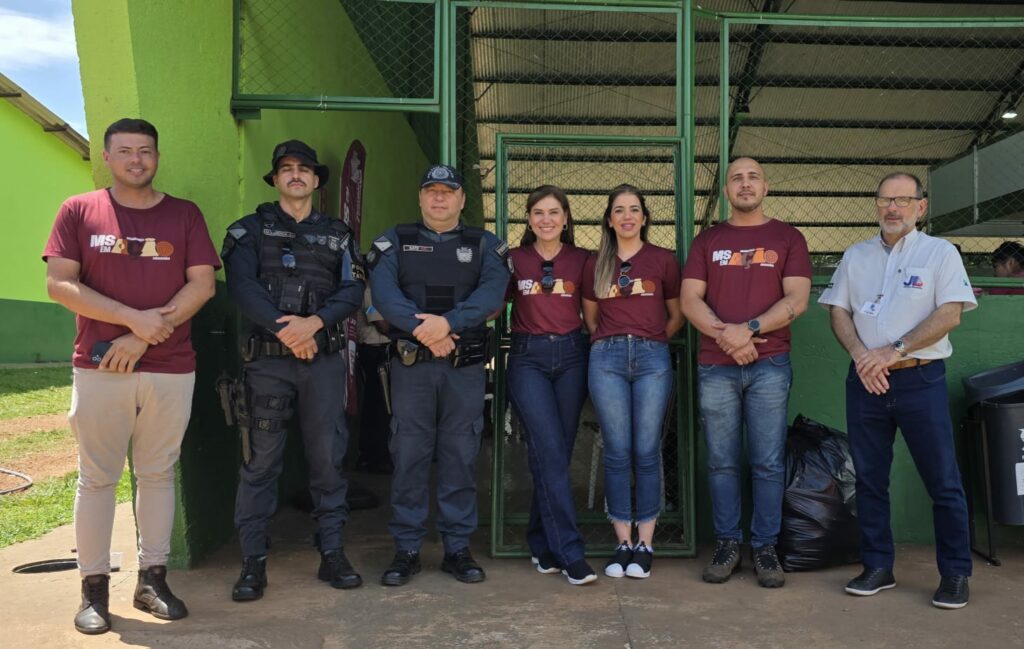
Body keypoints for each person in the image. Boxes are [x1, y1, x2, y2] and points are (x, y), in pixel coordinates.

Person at [43, 118, 219, 635]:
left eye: (145, 151)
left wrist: (144, 334)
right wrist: (129, 319)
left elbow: (203, 285)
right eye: (125, 151)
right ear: (108, 157)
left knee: (158, 473)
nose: (136, 160)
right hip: (99, 364)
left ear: (157, 157)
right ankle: (93, 590)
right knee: (97, 478)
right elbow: (59, 284)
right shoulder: (79, 210)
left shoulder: (184, 215)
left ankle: (153, 579)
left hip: (169, 365)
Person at [819, 171, 976, 610]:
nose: (893, 208)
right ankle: (877, 566)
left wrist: (893, 351)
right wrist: (861, 356)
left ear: (920, 207)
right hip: (866, 379)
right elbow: (838, 311)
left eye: (903, 200)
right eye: (885, 200)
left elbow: (950, 315)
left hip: (918, 378)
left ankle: (956, 574)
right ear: (876, 205)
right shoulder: (857, 255)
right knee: (870, 479)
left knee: (942, 481)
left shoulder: (939, 253)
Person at [222, 140, 365, 601]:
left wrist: (314, 324)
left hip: (320, 361)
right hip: (267, 363)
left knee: (328, 459)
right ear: (275, 178)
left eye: (304, 168)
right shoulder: (248, 231)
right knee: (261, 462)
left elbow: (352, 291)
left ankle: (332, 553)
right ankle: (253, 563)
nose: (296, 174)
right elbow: (243, 288)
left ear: (317, 180)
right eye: (286, 168)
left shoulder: (338, 235)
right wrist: (289, 331)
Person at [368, 164, 510, 586]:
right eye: (431, 190)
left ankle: (457, 548)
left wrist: (445, 324)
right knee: (409, 455)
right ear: (420, 197)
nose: (439, 198)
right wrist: (423, 331)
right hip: (412, 366)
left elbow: (490, 295)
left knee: (460, 456)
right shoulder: (394, 242)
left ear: (462, 199)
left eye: (448, 191)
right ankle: (407, 549)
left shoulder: (486, 246)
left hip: (462, 368)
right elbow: (386, 298)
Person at [681, 157, 811, 589]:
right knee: (721, 461)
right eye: (736, 177)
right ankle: (728, 543)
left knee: (767, 461)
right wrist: (728, 338)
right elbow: (690, 300)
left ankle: (765, 546)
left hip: (770, 364)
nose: (745, 183)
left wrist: (749, 330)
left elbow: (797, 298)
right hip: (717, 365)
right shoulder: (707, 240)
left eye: (753, 176)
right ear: (726, 191)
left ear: (766, 187)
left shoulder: (788, 237)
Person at [582, 184, 684, 580]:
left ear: (644, 217)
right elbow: (590, 318)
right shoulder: (596, 263)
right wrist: (611, 340)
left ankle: (646, 543)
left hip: (651, 357)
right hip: (605, 357)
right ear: (609, 219)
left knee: (646, 449)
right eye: (619, 210)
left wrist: (653, 340)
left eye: (634, 209)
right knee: (617, 450)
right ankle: (622, 541)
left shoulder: (663, 260)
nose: (627, 216)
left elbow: (675, 314)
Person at [507, 185, 596, 585]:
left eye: (554, 212)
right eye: (538, 213)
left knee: (554, 453)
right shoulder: (514, 260)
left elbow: (593, 313)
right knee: (548, 448)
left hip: (573, 356)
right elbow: (493, 301)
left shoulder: (583, 260)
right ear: (529, 219)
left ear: (566, 218)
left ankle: (541, 543)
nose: (546, 219)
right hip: (528, 357)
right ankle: (570, 552)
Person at [355, 286, 393, 473]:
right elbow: (381, 325)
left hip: (378, 351)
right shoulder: (370, 292)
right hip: (374, 351)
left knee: (378, 406)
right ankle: (375, 457)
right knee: (379, 407)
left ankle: (374, 455)